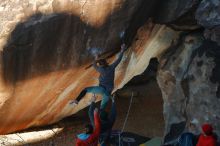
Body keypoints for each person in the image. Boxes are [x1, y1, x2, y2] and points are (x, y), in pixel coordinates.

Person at [71, 44, 126, 110]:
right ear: (106, 63)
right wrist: (122, 50)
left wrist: (96, 58)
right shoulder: (112, 67)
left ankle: (77, 100)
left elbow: (94, 65)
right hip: (108, 91)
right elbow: (118, 60)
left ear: (100, 65)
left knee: (85, 89)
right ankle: (96, 103)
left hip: (101, 89)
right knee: (102, 107)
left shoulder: (101, 69)